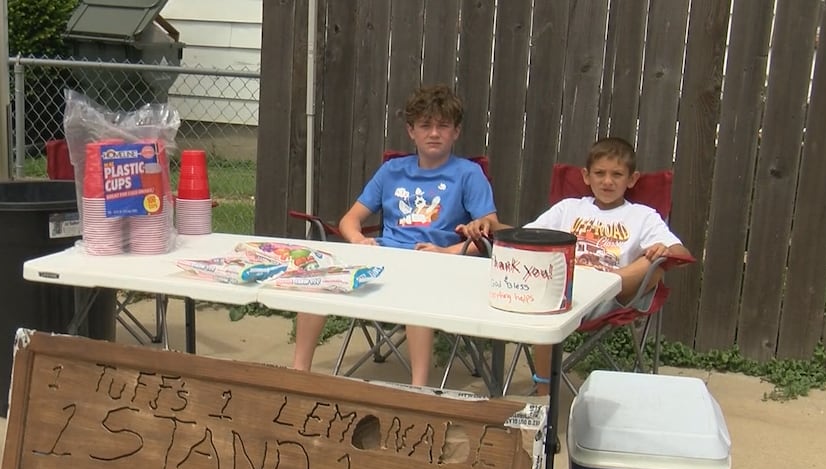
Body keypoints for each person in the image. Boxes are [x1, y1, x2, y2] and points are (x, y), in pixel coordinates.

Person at [292, 84, 501, 386]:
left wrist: (449, 252)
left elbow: (489, 227)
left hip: (437, 264)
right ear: (411, 131)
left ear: (455, 132)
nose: (433, 133)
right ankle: (299, 374)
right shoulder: (392, 171)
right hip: (385, 259)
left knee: (417, 292)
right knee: (319, 281)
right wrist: (359, 241)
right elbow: (351, 219)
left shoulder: (468, 174)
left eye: (443, 126)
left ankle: (416, 390)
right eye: (425, 125)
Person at [459, 136, 692, 395]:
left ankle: (606, 283)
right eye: (600, 173)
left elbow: (681, 253)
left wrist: (664, 250)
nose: (607, 181)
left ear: (632, 179)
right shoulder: (569, 208)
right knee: (543, 300)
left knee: (655, 264)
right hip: (562, 291)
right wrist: (491, 226)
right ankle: (544, 393)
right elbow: (526, 236)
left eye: (617, 174)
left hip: (612, 296)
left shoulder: (642, 215)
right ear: (586, 176)